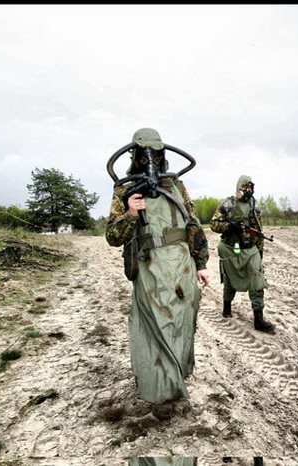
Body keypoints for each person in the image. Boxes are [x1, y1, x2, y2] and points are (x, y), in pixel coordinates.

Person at [106, 128, 210, 421]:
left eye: (156, 153)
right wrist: (130, 212)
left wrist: (201, 262)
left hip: (182, 265)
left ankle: (176, 375)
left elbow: (193, 224)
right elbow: (113, 237)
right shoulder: (124, 190)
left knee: (181, 323)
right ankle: (161, 392)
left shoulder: (176, 185)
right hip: (149, 268)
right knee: (155, 328)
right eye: (144, 154)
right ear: (135, 155)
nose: (150, 159)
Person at [210, 175, 275, 333]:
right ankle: (227, 306)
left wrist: (259, 251)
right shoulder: (228, 204)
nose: (248, 190)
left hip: (250, 248)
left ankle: (258, 319)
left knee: (257, 278)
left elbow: (258, 230)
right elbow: (214, 224)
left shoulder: (254, 206)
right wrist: (229, 226)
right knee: (229, 278)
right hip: (230, 248)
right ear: (239, 187)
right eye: (245, 187)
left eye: (250, 187)